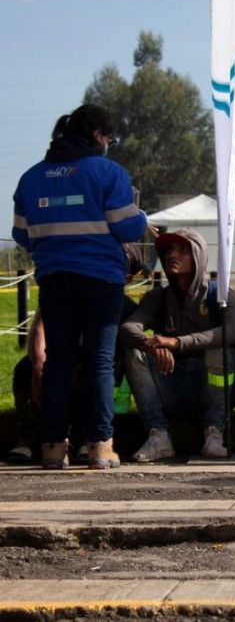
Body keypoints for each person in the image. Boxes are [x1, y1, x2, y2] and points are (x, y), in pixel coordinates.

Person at [11, 104, 148, 470]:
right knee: (100, 362)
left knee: (57, 363)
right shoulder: (109, 173)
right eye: (109, 138)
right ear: (99, 136)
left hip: (54, 279)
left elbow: (21, 234)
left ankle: (53, 448)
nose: (109, 144)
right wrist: (143, 218)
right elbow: (127, 228)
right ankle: (100, 446)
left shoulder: (30, 178)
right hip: (100, 279)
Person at [5, 244, 149, 465]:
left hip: (95, 361)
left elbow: (118, 347)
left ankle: (86, 439)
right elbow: (40, 328)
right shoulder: (72, 293)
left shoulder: (125, 307)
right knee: (25, 368)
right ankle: (31, 436)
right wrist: (38, 367)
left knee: (95, 374)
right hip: (63, 355)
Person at [119, 227, 235, 461]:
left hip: (209, 390)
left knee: (221, 349)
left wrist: (176, 342)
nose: (172, 255)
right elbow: (128, 328)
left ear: (199, 256)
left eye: (183, 250)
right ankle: (159, 435)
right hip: (170, 383)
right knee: (134, 350)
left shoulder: (223, 296)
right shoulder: (157, 298)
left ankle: (215, 431)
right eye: (168, 250)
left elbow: (233, 332)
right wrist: (151, 345)